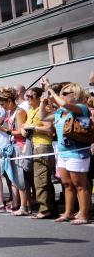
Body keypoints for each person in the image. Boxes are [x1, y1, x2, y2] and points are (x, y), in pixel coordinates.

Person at [43, 78, 91, 225]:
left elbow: (63, 104)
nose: (61, 95)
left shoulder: (81, 108)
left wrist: (50, 90)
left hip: (77, 152)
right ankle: (68, 213)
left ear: (75, 94)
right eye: (61, 93)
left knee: (80, 184)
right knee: (67, 184)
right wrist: (43, 102)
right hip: (63, 152)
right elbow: (43, 117)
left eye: (65, 93)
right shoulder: (61, 112)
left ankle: (84, 214)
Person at [21, 87, 57, 219]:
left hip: (43, 146)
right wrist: (23, 129)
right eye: (26, 96)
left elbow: (49, 129)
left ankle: (45, 209)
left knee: (40, 179)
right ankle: (51, 208)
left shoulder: (44, 109)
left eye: (31, 96)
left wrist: (33, 127)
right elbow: (26, 126)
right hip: (34, 146)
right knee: (43, 179)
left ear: (39, 98)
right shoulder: (30, 110)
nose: (28, 98)